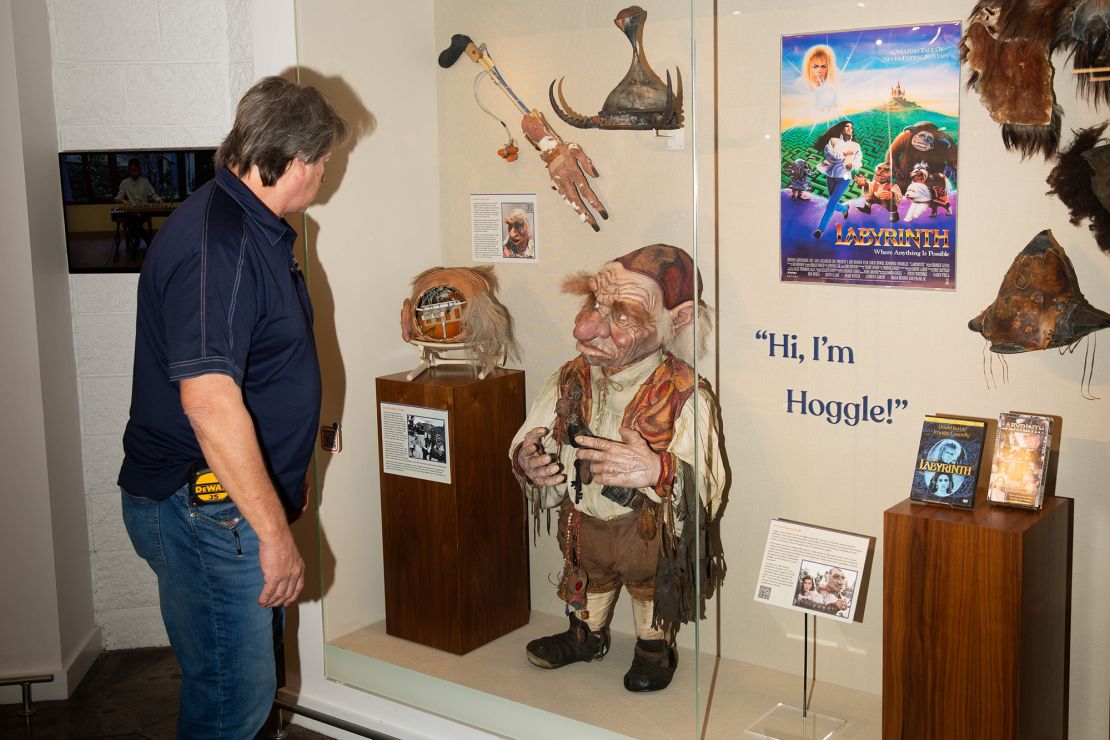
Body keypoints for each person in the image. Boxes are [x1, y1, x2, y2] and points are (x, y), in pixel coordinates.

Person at [117, 76, 349, 739]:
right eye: (327, 161)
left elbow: (265, 368)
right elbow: (211, 405)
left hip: (229, 502)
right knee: (232, 700)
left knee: (246, 687)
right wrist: (275, 537)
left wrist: (284, 470)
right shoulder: (218, 245)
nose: (327, 175)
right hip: (205, 510)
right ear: (297, 161)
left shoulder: (254, 226)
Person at [510, 244, 725, 693]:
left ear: (678, 320)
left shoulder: (686, 394)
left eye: (622, 315)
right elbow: (533, 430)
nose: (585, 328)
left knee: (650, 586)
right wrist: (527, 459)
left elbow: (708, 480)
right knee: (589, 575)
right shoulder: (570, 378)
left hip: (645, 530)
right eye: (594, 304)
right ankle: (585, 635)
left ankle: (653, 648)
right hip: (585, 521)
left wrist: (658, 469)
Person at [812, 120, 861, 239]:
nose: (850, 129)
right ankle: (844, 209)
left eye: (851, 127)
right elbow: (830, 156)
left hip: (844, 177)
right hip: (830, 176)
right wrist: (844, 155)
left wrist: (852, 165)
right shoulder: (833, 141)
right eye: (847, 126)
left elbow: (858, 160)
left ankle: (820, 229)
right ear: (842, 128)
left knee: (830, 204)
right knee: (833, 202)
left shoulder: (855, 146)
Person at [115, 158, 162, 251]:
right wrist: (123, 201)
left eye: (135, 170)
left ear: (139, 170)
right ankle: (147, 241)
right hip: (131, 214)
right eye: (131, 170)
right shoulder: (125, 183)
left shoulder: (145, 182)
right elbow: (118, 197)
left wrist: (160, 200)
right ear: (129, 170)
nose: (133, 173)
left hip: (143, 213)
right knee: (131, 221)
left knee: (131, 223)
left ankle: (137, 240)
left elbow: (153, 195)